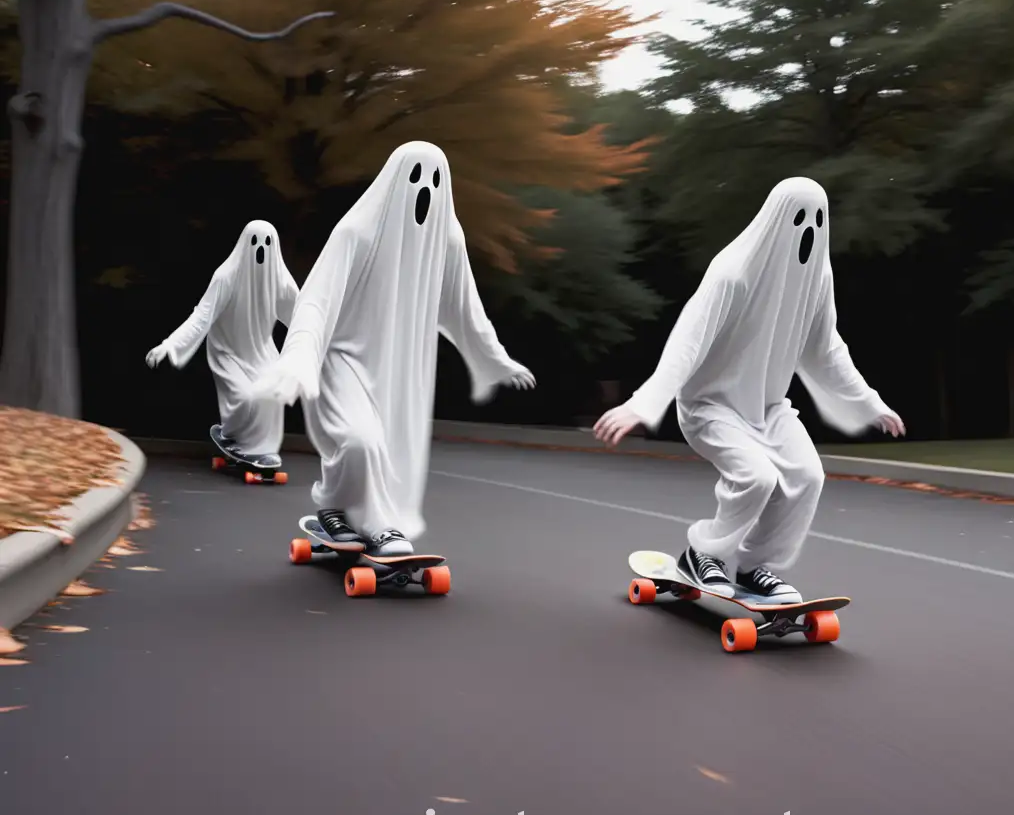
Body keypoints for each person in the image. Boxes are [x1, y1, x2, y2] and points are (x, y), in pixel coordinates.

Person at [593, 177, 904, 603]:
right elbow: (689, 341)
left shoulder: (817, 279)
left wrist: (869, 402)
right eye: (798, 218)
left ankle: (754, 566)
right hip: (709, 407)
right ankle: (702, 552)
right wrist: (644, 403)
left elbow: (828, 349)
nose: (808, 231)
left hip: (769, 408)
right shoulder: (732, 272)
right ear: (776, 218)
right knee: (756, 477)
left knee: (808, 476)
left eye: (817, 220)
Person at [249, 141, 535, 559]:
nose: (425, 190)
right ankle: (353, 515)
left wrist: (494, 358)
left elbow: (465, 308)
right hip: (342, 360)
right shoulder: (355, 232)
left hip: (401, 369)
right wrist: (298, 358)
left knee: (387, 452)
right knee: (359, 441)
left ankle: (355, 517)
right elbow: (316, 301)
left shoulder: (447, 240)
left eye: (436, 181)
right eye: (415, 177)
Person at [145, 220, 299, 461]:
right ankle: (232, 435)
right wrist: (170, 344)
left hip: (261, 350)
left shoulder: (279, 279)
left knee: (271, 392)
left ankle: (261, 448)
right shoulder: (226, 276)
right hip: (227, 350)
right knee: (245, 397)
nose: (261, 249)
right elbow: (201, 317)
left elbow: (301, 315)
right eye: (255, 242)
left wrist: (325, 340)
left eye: (267, 243)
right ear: (244, 245)